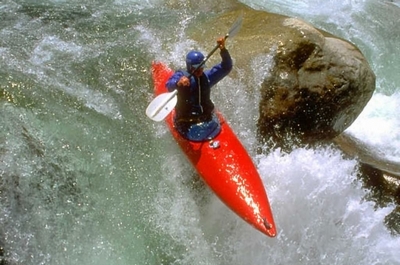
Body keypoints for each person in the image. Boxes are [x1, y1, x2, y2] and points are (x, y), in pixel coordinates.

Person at [166, 37, 233, 141]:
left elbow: (226, 67)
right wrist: (178, 83)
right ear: (189, 66)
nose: (200, 70)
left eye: (201, 67)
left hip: (209, 120)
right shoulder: (181, 77)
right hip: (186, 123)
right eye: (196, 67)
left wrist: (223, 49)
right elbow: (169, 85)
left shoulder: (207, 77)